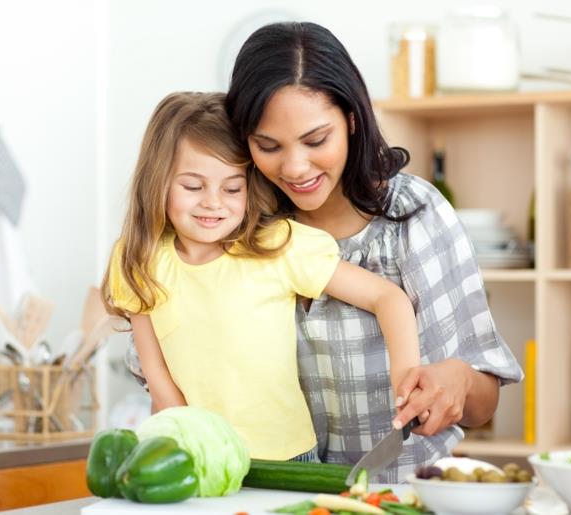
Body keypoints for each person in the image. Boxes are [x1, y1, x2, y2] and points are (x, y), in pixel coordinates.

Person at [222, 21, 524, 481]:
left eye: (316, 140)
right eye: (268, 146)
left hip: (401, 494)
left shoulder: (412, 215)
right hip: (268, 496)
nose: (295, 167)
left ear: (352, 120)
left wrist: (457, 379)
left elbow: (484, 403)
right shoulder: (239, 224)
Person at [103, 91, 422, 462]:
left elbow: (387, 298)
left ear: (249, 184)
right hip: (198, 454)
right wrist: (197, 443)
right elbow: (155, 373)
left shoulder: (276, 247)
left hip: (286, 457)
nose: (213, 202)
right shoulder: (139, 259)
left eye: (232, 188)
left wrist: (407, 379)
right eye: (193, 186)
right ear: (158, 182)